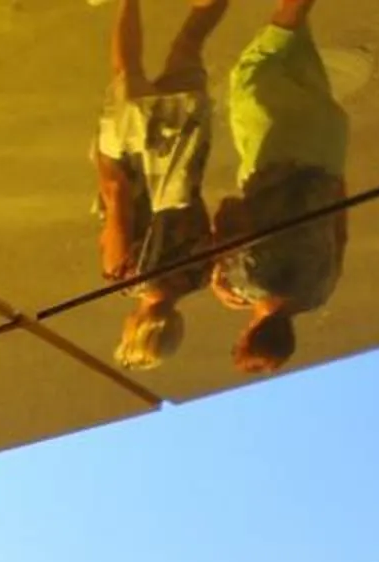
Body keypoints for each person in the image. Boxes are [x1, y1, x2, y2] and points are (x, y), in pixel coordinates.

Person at [209, 0, 348, 376]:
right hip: (278, 146)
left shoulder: (320, 291)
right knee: (255, 68)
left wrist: (332, 176)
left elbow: (340, 226)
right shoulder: (248, 282)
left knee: (292, 45)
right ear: (247, 334)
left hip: (328, 149)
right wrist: (219, 274)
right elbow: (229, 210)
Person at [92, 0, 227, 370]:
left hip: (182, 151)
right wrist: (100, 159)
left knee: (189, 44)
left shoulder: (201, 274)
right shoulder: (126, 277)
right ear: (137, 329)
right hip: (135, 154)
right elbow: (117, 198)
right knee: (126, 68)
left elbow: (201, 211)